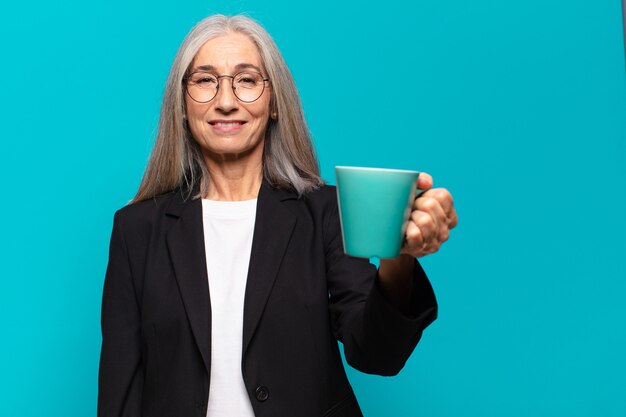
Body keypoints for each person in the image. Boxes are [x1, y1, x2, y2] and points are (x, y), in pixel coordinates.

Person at [97, 14, 458, 417]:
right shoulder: (136, 231)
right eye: (204, 80)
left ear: (274, 103)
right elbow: (120, 392)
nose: (226, 100)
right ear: (181, 104)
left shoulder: (324, 212)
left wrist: (399, 255)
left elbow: (376, 354)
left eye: (247, 80)